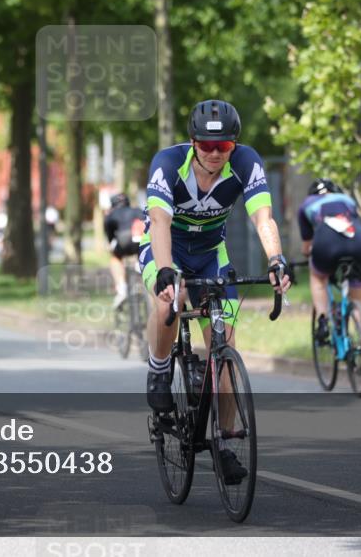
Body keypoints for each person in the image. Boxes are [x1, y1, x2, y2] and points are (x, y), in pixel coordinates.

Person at [140, 99, 291, 485]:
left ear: (233, 147)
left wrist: (276, 260)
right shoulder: (168, 163)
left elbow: (263, 218)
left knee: (225, 347)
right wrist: (165, 273)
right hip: (165, 247)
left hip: (210, 254)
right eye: (205, 145)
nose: (213, 153)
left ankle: (224, 441)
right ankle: (159, 370)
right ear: (192, 143)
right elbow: (158, 222)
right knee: (167, 300)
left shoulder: (247, 163)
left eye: (222, 147)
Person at [297, 178, 361, 342]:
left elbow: (306, 247)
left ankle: (323, 320)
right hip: (359, 241)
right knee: (358, 297)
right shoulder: (348, 200)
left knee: (318, 278)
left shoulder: (306, 204)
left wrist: (310, 256)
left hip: (327, 242)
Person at [104, 193, 146, 308]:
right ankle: (140, 267)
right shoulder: (137, 210)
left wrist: (111, 243)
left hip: (123, 240)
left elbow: (109, 234)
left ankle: (122, 288)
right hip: (140, 239)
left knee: (115, 257)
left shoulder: (111, 214)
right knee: (141, 253)